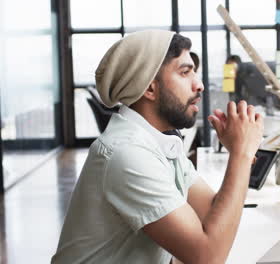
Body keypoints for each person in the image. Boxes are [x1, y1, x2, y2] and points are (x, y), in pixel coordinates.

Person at [51, 30, 264, 264]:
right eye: (185, 72)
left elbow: (210, 215)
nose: (200, 85)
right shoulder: (127, 153)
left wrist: (239, 152)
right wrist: (241, 155)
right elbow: (208, 256)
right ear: (149, 88)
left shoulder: (160, 142)